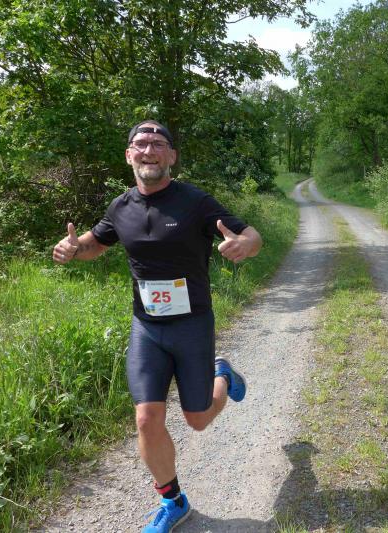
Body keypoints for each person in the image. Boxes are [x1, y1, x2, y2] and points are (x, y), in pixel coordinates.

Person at [52, 120, 262, 532]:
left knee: (197, 419)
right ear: (129, 154)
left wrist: (246, 245)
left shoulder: (194, 202)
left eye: (158, 144)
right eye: (141, 143)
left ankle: (222, 375)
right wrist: (73, 250)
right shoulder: (120, 207)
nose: (149, 150)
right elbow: (95, 244)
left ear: (172, 156)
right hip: (147, 327)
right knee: (147, 419)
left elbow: (251, 235)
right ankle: (174, 501)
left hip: (192, 324)